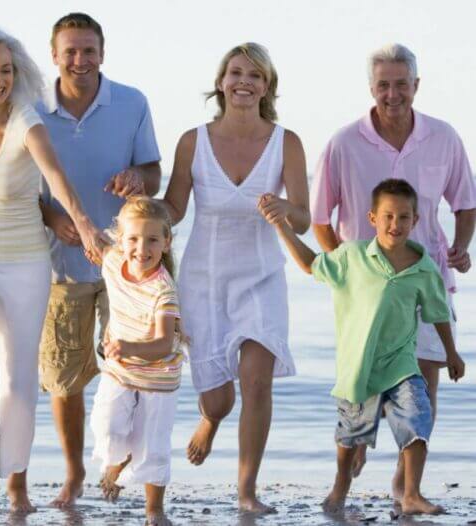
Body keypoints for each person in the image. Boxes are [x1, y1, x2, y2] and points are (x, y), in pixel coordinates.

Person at [0, 26, 102, 511]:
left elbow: (56, 179)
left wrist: (85, 227)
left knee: (18, 379)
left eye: (6, 70)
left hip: (24, 259)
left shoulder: (26, 122)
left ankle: (16, 484)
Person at [310, 43, 476, 487]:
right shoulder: (344, 143)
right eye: (383, 85)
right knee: (362, 382)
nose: (392, 93)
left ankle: (406, 486)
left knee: (423, 381)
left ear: (416, 86)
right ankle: (355, 453)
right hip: (366, 294)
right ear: (372, 88)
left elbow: (465, 203)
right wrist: (344, 273)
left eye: (401, 84)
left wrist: (460, 246)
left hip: (425, 280)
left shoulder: (444, 137)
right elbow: (320, 217)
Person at [162, 43, 309, 513]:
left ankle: (247, 491)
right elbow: (173, 208)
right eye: (235, 72)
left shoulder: (287, 143)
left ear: (267, 87)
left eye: (255, 75)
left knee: (256, 379)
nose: (244, 81)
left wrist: (287, 210)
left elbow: (304, 217)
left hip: (262, 277)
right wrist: (138, 207)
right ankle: (211, 419)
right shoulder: (193, 141)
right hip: (204, 281)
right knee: (220, 398)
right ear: (221, 81)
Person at [267, 179, 465, 515]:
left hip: (402, 365)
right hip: (359, 368)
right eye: (388, 216)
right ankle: (340, 487)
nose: (395, 224)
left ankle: (412, 494)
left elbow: (438, 312)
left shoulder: (424, 268)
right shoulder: (352, 257)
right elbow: (310, 263)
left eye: (404, 217)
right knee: (350, 437)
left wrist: (452, 352)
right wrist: (282, 228)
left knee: (418, 421)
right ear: (373, 218)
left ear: (415, 220)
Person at [36, 12, 162, 508]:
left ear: (102, 53)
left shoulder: (131, 103)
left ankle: (122, 463)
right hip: (58, 266)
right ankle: (74, 473)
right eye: (70, 51)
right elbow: (21, 186)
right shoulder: (33, 107)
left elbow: (154, 173)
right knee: (64, 378)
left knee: (128, 369)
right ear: (54, 56)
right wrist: (50, 215)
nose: (80, 60)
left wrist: (137, 177)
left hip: (126, 268)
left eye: (89, 50)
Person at [89, 196, 183, 526]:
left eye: (152, 240)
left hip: (159, 375)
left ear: (167, 243)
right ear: (121, 239)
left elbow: (161, 344)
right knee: (106, 425)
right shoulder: (113, 261)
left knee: (154, 443)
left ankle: (154, 510)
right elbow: (92, 238)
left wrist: (127, 346)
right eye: (132, 238)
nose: (141, 249)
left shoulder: (164, 291)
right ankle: (118, 461)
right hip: (119, 369)